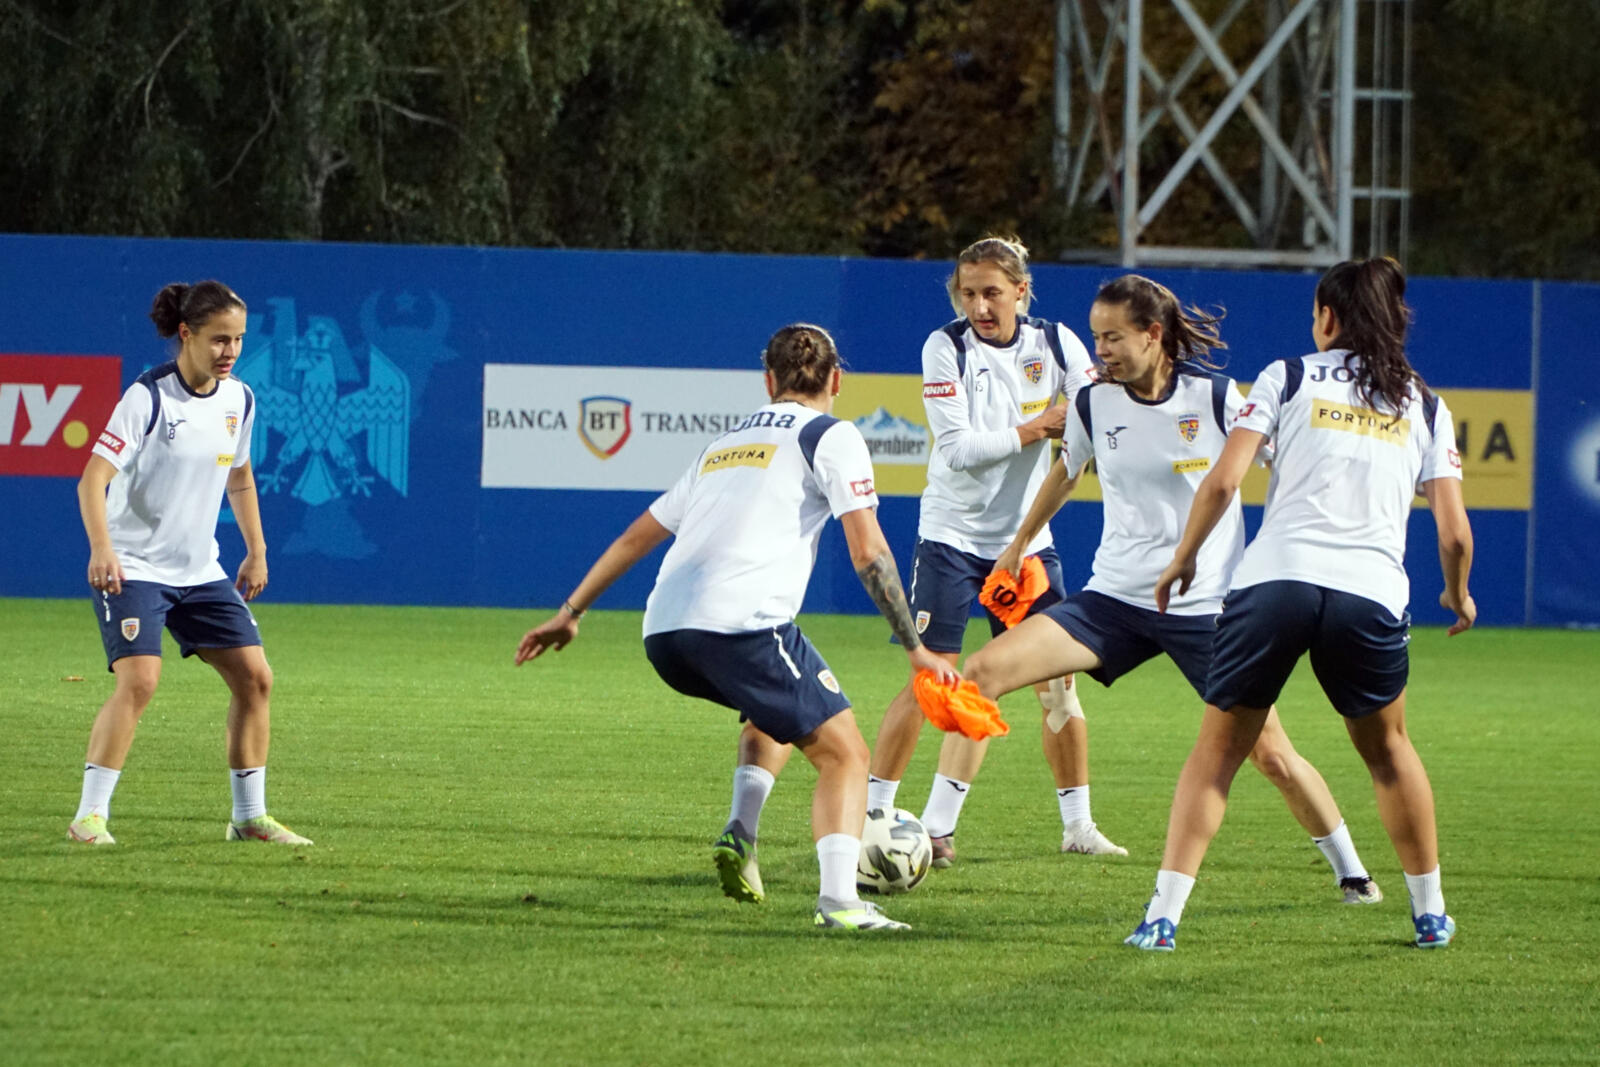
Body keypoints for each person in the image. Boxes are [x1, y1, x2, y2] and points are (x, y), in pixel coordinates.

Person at [952, 274, 1381, 910]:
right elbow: (1067, 473)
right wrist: (1015, 550)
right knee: (981, 670)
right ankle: (931, 833)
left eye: (1114, 338)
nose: (1101, 351)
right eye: (1096, 338)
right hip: (1113, 603)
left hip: (1205, 610)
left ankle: (1352, 873)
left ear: (1154, 336)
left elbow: (1276, 466)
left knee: (1272, 756)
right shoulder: (1095, 402)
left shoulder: (1214, 399)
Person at [515, 324, 956, 932]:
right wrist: (917, 649)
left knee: (773, 710)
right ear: (837, 380)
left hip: (666, 634)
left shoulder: (723, 444)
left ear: (768, 380)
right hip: (741, 626)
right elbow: (871, 553)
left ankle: (741, 833)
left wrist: (570, 612)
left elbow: (636, 536)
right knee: (847, 756)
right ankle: (840, 903)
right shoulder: (833, 435)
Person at [1125, 257, 1473, 951]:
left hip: (1275, 582)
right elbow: (1454, 530)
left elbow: (1223, 482)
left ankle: (1163, 916)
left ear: (1329, 318)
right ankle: (1430, 912)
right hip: (1369, 594)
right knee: (1388, 752)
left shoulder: (1287, 375)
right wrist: (1456, 592)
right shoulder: (1425, 405)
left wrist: (1182, 556)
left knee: (1218, 753)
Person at [866, 236, 1126, 865]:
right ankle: (874, 815)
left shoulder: (1058, 342)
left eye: (991, 292)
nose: (979, 305)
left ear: (1021, 291)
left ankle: (1077, 826)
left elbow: (1095, 408)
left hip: (1029, 544)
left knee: (1060, 685)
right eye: (968, 292)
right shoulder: (945, 347)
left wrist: (1081, 417)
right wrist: (1042, 425)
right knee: (935, 680)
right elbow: (959, 450)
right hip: (954, 537)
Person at [68, 280, 310, 847]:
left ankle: (249, 819)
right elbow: (92, 479)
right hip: (133, 566)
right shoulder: (147, 398)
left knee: (256, 680)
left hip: (200, 571)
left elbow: (240, 476)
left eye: (239, 340)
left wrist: (257, 549)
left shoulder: (240, 400)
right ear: (186, 334)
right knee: (140, 682)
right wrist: (102, 548)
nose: (230, 351)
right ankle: (89, 818)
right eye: (219, 339)